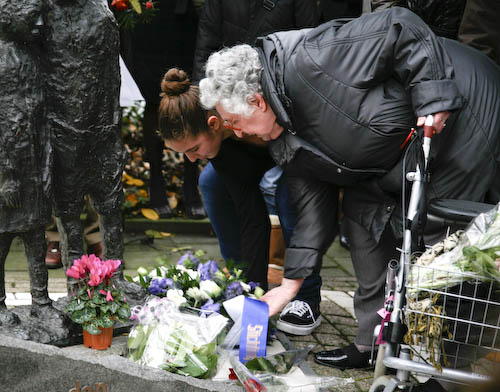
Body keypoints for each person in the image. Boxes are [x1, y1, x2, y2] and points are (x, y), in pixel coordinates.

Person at [198, 6, 500, 373]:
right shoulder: (281, 136)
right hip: (386, 155)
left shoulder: (313, 59)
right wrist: (291, 284)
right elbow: (311, 208)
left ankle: (442, 366)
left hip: (461, 118)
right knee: (362, 221)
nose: (239, 133)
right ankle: (373, 345)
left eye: (234, 122)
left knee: (443, 248)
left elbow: (399, 26)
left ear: (257, 101)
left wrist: (434, 96)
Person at [192, 0, 323, 335]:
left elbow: (312, 51)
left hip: (291, 120)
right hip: (238, 122)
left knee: (288, 192)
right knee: (212, 184)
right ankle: (244, 286)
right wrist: (216, 125)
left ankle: (305, 296)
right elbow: (203, 59)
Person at [44, 0, 144, 299]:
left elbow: (111, 78)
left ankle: (116, 278)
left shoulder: (101, 16)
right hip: (61, 124)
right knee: (67, 208)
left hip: (100, 124)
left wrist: (112, 133)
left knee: (110, 204)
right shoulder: (45, 17)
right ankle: (75, 287)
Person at [0, 0, 65, 325]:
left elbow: (40, 114)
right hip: (8, 172)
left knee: (37, 236)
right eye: (32, 17)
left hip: (35, 165)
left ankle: (41, 301)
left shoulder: (33, 57)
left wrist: (47, 162)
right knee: (2, 239)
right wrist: (6, 175)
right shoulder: (3, 60)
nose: (40, 24)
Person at [118, 0, 206, 220]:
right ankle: (155, 183)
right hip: (148, 18)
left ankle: (191, 184)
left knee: (189, 96)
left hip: (186, 19)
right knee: (153, 100)